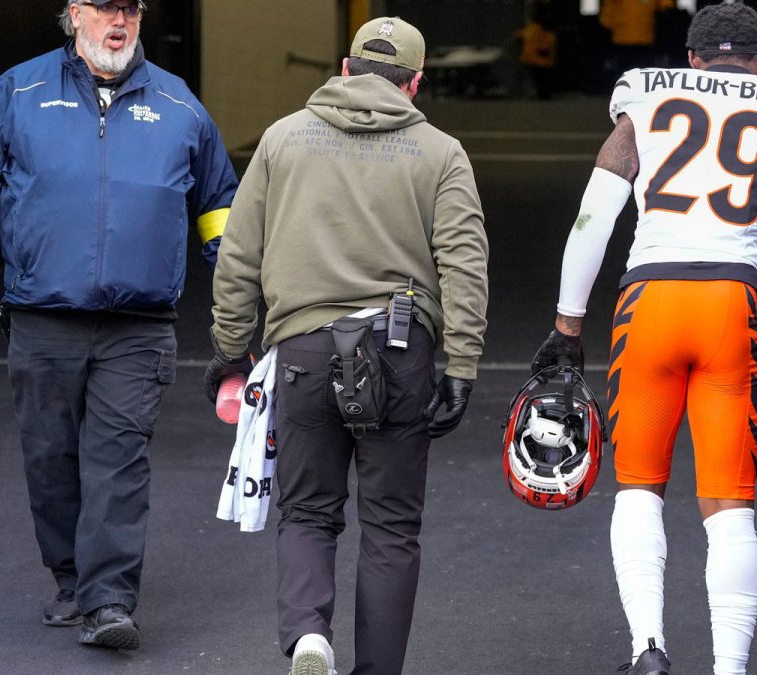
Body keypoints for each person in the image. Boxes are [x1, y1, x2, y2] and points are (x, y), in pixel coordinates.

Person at [0, 0, 239, 651]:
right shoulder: (21, 90)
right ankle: (70, 576)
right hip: (42, 318)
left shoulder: (178, 106)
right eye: (104, 7)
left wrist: (237, 271)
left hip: (139, 325)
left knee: (118, 460)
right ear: (73, 13)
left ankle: (109, 598)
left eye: (131, 8)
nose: (119, 21)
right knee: (51, 459)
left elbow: (220, 201)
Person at [530, 3, 757, 673]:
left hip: (650, 302)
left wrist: (567, 324)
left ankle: (648, 647)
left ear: (691, 59)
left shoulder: (644, 95)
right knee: (729, 503)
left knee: (639, 486)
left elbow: (594, 218)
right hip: (736, 306)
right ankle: (728, 666)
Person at [206, 16, 488, 675]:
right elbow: (463, 265)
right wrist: (464, 364)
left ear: (343, 67)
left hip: (302, 350)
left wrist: (229, 344)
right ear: (415, 84)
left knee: (306, 510)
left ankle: (309, 635)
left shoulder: (280, 140)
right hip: (399, 352)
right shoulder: (442, 153)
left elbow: (240, 255)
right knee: (391, 527)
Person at [518, 0, 559, 99]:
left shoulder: (541, 26)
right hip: (536, 58)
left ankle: (544, 93)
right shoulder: (534, 27)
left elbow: (547, 41)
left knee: (542, 78)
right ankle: (543, 93)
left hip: (539, 58)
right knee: (540, 78)